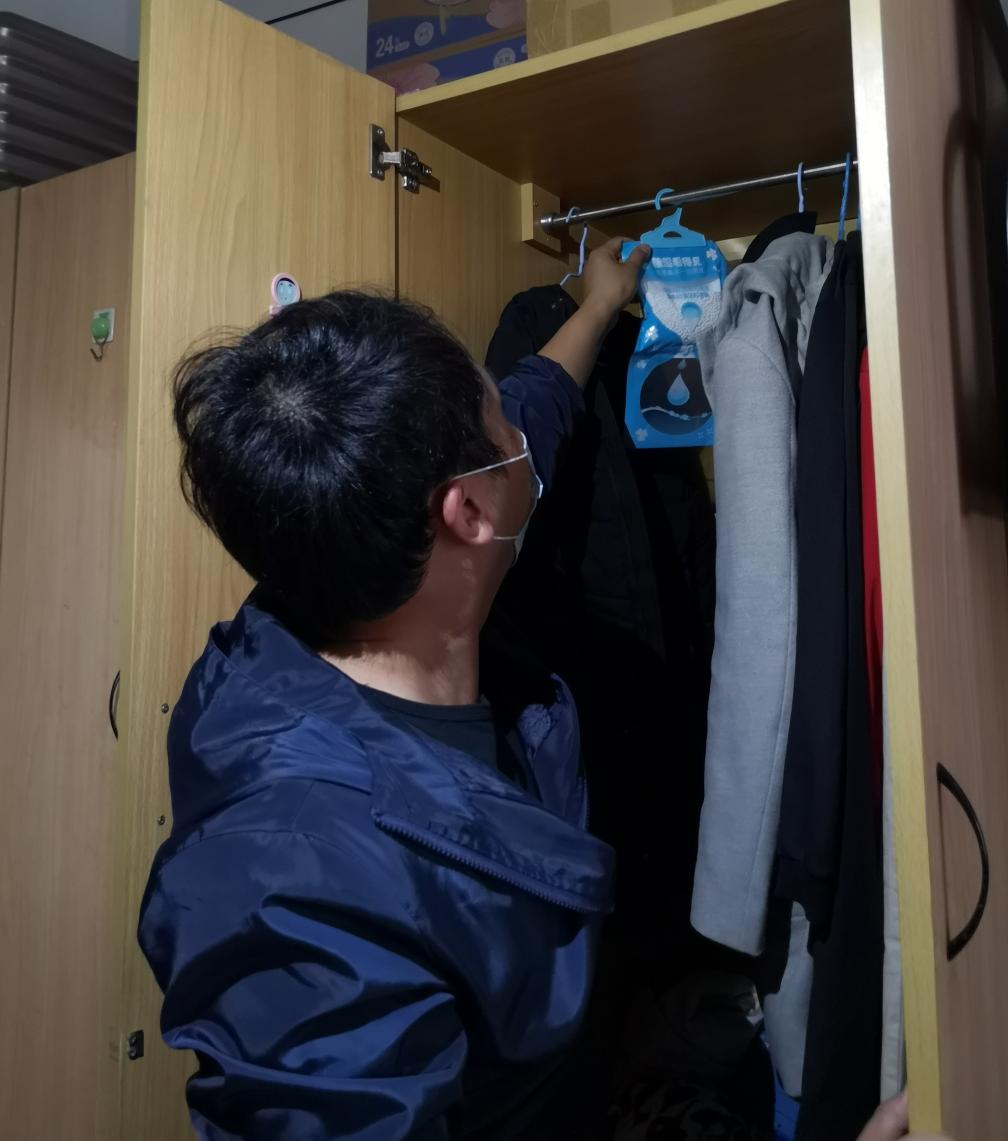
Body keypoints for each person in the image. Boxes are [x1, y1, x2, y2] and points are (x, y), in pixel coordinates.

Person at [139, 237, 950, 1141]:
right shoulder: (300, 891)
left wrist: (599, 304)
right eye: (502, 431)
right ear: (467, 513)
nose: (521, 432)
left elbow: (538, 403)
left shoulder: (350, 553)